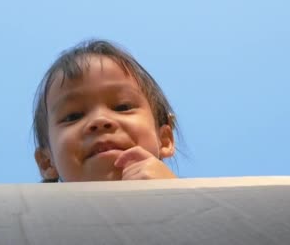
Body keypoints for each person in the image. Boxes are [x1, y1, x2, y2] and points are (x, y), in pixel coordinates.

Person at [32, 39, 183, 182]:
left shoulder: (191, 202)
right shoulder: (36, 209)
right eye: (73, 116)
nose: (100, 120)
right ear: (47, 162)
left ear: (164, 140)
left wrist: (174, 191)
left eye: (122, 107)